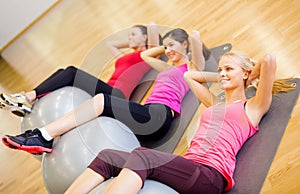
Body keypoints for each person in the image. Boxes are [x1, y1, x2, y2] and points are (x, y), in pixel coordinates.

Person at [64, 51, 295, 194]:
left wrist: (249, 76)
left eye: (228, 69)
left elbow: (269, 59)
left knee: (142, 155)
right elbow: (189, 76)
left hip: (209, 177)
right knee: (108, 156)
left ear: (245, 73)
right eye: (220, 69)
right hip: (187, 168)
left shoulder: (253, 107)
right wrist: (225, 76)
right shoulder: (215, 105)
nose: (222, 73)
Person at [2, 28, 207, 155]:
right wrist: (167, 47)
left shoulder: (191, 68)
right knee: (93, 108)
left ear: (186, 45)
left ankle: (43, 135)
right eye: (166, 47)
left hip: (159, 116)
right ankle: (48, 138)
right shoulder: (167, 68)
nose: (168, 50)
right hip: (144, 113)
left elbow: (196, 38)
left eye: (172, 46)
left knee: (102, 100)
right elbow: (145, 55)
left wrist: (184, 42)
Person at [0, 23, 160, 117]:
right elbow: (110, 44)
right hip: (106, 91)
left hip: (116, 95)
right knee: (61, 71)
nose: (129, 38)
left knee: (71, 72)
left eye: (133, 35)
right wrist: (134, 41)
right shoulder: (127, 56)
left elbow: (152, 26)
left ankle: (27, 97)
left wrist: (144, 39)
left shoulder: (147, 55)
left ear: (145, 38)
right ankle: (29, 100)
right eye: (129, 35)